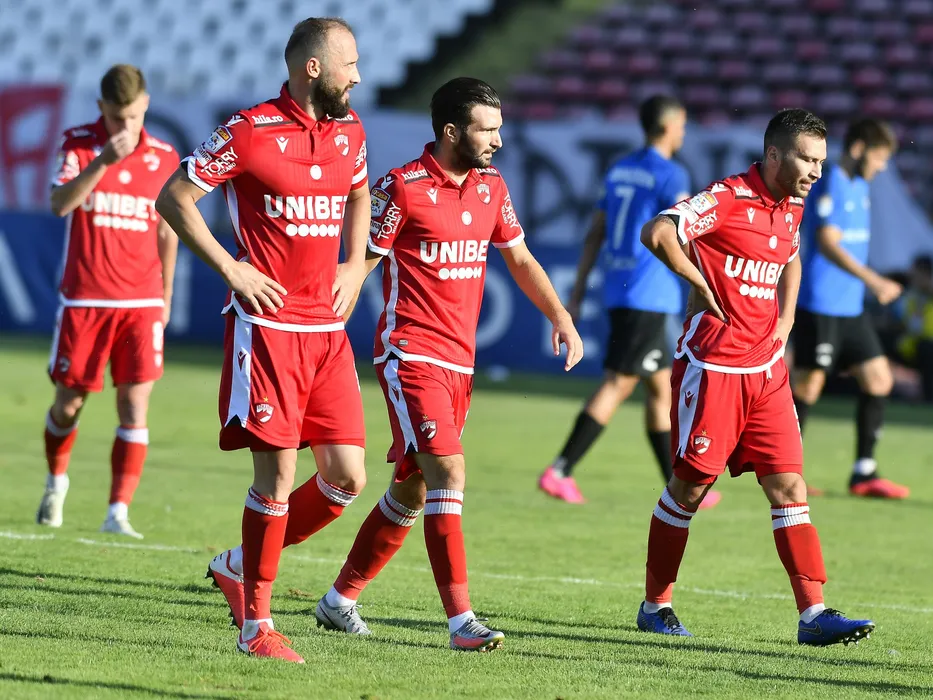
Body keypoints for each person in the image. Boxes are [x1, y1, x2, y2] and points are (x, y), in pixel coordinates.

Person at [311, 77, 584, 652]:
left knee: (413, 490)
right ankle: (462, 622)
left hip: (460, 363)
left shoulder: (492, 187)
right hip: (410, 354)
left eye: (500, 129)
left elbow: (519, 257)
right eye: (489, 130)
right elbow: (359, 265)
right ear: (452, 131)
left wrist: (560, 315)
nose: (499, 140)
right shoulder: (401, 188)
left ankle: (338, 601)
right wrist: (320, 327)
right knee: (450, 472)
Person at [155, 17, 370, 663]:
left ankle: (236, 565)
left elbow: (360, 193)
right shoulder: (250, 130)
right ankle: (257, 626)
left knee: (346, 479)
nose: (358, 77)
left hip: (327, 332)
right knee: (276, 478)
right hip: (270, 331)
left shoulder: (350, 132)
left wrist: (355, 265)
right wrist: (232, 268)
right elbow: (174, 197)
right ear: (313, 68)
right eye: (350, 64)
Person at [636, 109, 874, 646]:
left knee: (789, 486)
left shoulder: (793, 204)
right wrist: (700, 282)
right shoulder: (727, 197)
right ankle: (656, 605)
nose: (816, 171)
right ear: (773, 154)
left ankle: (814, 615)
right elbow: (657, 231)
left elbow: (790, 256)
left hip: (767, 373)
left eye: (821, 161)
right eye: (807, 160)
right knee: (688, 490)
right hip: (713, 369)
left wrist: (785, 324)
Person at [537, 96, 719, 509]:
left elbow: (595, 233)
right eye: (682, 125)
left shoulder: (620, 169)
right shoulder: (670, 173)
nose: (684, 132)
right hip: (649, 293)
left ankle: (679, 484)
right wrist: (704, 279)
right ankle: (560, 469)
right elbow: (682, 234)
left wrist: (577, 293)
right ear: (669, 127)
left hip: (619, 288)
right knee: (619, 383)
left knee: (659, 387)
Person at [38, 64, 179, 538]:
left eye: (134, 116)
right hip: (85, 300)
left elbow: (168, 231)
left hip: (142, 302)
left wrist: (166, 295)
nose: (126, 126)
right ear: (101, 108)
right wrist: (102, 162)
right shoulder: (79, 144)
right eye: (118, 117)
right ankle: (56, 482)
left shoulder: (164, 157)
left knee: (135, 406)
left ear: (146, 106)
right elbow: (59, 204)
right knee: (68, 406)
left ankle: (118, 512)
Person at [792, 118, 908, 499]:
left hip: (850, 307)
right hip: (822, 304)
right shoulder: (832, 183)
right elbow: (827, 242)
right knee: (808, 386)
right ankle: (784, 471)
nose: (882, 166)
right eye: (879, 157)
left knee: (879, 379)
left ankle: (864, 472)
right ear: (858, 149)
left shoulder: (860, 186)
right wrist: (873, 280)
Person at [896, 255, 933, 402]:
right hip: (911, 344)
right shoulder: (912, 296)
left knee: (926, 348)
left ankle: (929, 397)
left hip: (927, 345)